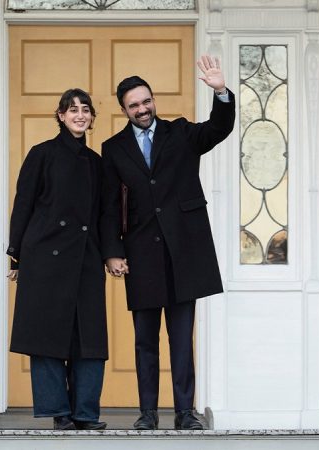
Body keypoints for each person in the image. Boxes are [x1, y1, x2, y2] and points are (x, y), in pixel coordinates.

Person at [100, 56, 235, 430]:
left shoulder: (181, 133)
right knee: (145, 341)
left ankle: (185, 413)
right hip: (140, 254)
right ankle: (147, 413)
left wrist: (221, 92)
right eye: (134, 105)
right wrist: (112, 251)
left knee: (181, 339)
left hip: (184, 252)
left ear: (153, 100)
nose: (142, 109)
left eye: (146, 101)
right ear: (124, 110)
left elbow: (219, 128)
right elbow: (108, 206)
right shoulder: (113, 149)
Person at [7, 88, 108, 431]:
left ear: (91, 117)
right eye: (73, 109)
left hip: (86, 258)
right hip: (45, 258)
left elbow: (104, 214)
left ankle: (85, 412)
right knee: (46, 336)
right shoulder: (42, 154)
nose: (80, 115)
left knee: (89, 337)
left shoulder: (96, 163)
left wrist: (111, 253)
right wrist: (15, 255)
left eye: (85, 110)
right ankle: (59, 412)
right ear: (61, 116)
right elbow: (23, 204)